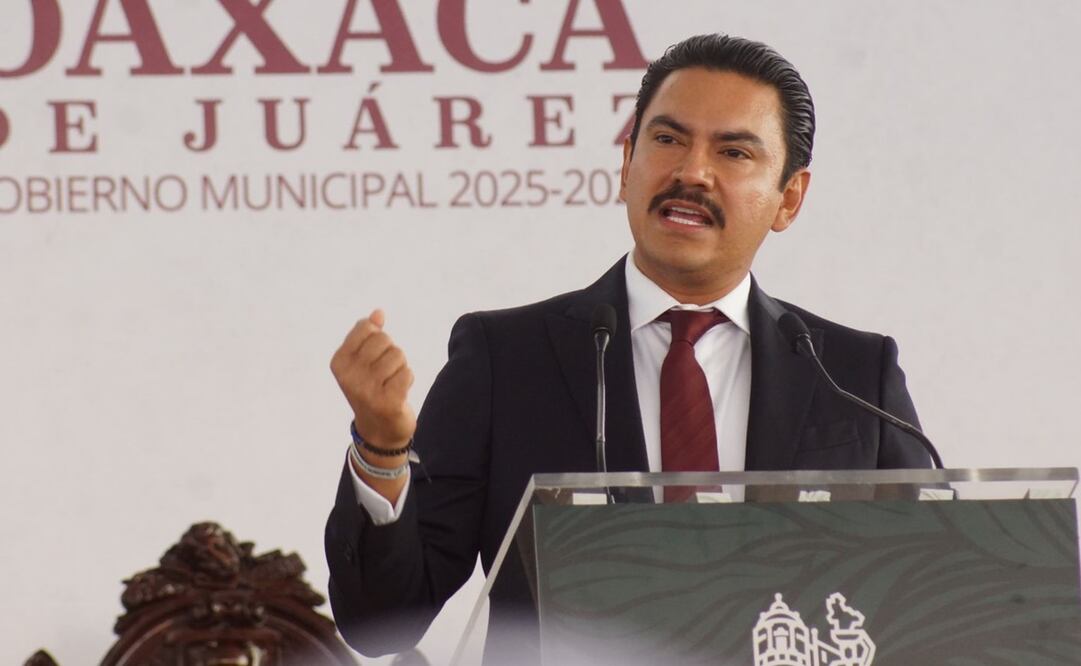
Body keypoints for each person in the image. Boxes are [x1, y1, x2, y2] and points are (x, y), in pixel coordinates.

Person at [324, 33, 931, 662]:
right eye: (668, 140)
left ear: (790, 198)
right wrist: (382, 448)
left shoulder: (854, 376)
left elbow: (941, 587)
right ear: (626, 165)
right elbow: (381, 621)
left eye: (733, 151)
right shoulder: (506, 359)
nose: (692, 172)